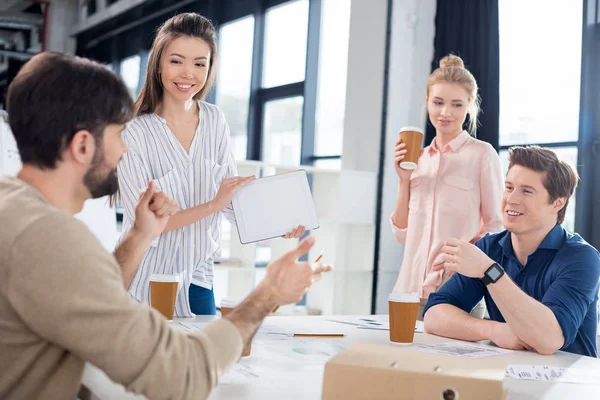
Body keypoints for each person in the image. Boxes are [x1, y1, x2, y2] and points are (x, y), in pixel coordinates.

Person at [0, 51, 330, 400]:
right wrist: (269, 295)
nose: (126, 149)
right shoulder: (52, 240)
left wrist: (141, 234)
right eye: (118, 135)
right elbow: (180, 377)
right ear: (83, 145)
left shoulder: (14, 205)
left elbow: (86, 291)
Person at [116, 13, 305, 318]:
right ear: (159, 64)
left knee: (205, 364)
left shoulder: (215, 120)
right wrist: (214, 204)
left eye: (199, 63)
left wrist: (277, 223)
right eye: (177, 61)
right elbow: (145, 224)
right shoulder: (134, 132)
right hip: (145, 279)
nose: (188, 73)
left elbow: (230, 201)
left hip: (198, 279)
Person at [424, 146, 600, 357]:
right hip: (510, 376)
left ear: (558, 203)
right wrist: (493, 330)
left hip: (568, 384)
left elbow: (549, 340)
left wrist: (489, 270)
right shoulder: (489, 248)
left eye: (527, 191)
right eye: (508, 187)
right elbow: (434, 315)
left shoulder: (582, 258)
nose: (511, 199)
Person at [391, 54, 504, 318]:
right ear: (427, 102)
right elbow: (401, 234)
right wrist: (403, 180)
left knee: (453, 360)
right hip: (407, 291)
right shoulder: (417, 159)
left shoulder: (482, 155)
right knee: (403, 359)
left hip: (457, 291)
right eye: (438, 102)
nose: (446, 113)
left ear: (469, 107)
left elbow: (495, 228)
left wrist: (464, 260)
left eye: (456, 104)